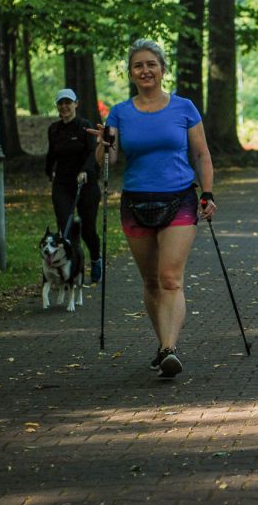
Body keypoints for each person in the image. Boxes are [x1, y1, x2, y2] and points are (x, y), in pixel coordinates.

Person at [89, 39, 216, 378]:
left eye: (151, 64)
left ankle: (169, 348)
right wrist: (104, 145)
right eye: (138, 66)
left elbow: (202, 154)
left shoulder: (184, 107)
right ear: (130, 73)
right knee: (150, 281)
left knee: (170, 278)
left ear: (162, 69)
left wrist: (208, 193)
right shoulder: (119, 112)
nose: (145, 70)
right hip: (136, 203)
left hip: (180, 199)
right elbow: (109, 161)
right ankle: (162, 343)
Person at [45, 88, 102, 283]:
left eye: (68, 103)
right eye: (61, 103)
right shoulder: (54, 129)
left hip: (86, 184)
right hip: (62, 184)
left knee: (88, 231)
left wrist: (85, 170)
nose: (64, 107)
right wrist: (48, 170)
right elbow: (52, 153)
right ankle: (71, 269)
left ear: (76, 104)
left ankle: (95, 258)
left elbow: (92, 152)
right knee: (66, 229)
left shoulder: (85, 127)